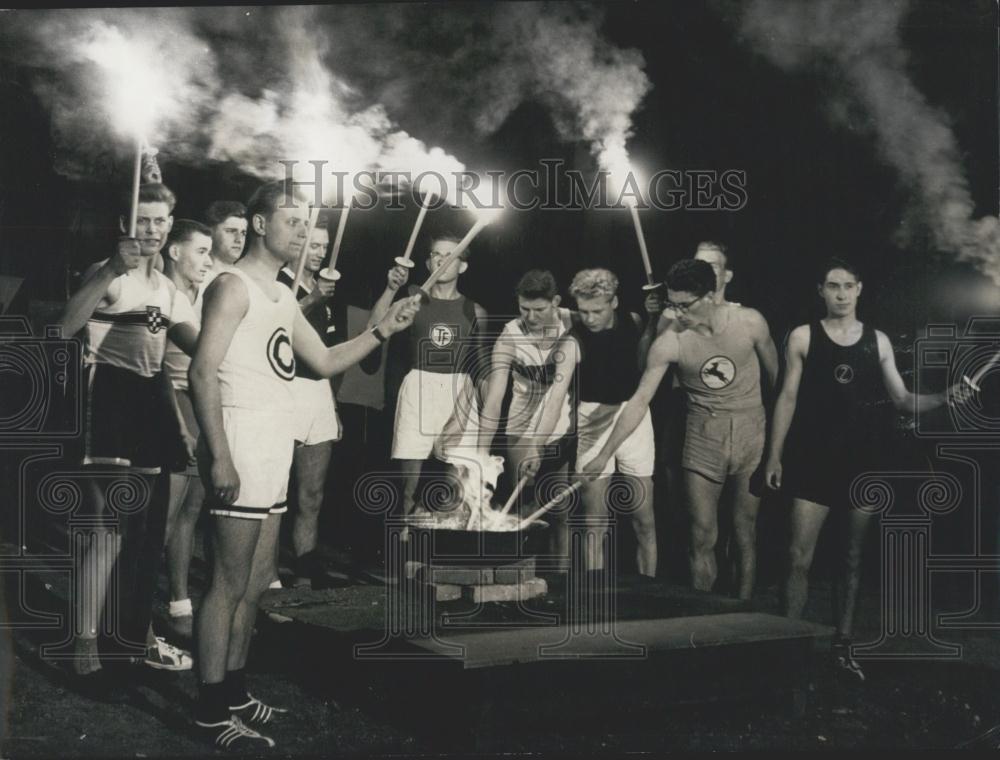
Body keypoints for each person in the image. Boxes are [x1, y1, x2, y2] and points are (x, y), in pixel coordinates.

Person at [189, 179, 419, 749]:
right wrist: (219, 456)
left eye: (304, 221)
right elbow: (201, 373)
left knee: (253, 587)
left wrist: (381, 330)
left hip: (274, 439)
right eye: (292, 221)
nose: (300, 230)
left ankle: (234, 689)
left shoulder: (283, 295)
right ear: (260, 224)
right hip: (239, 438)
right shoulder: (232, 286)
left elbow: (323, 360)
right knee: (226, 582)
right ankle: (209, 709)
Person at [764, 258, 963, 680]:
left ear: (859, 289)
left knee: (850, 559)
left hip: (861, 463)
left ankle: (842, 646)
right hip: (810, 460)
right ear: (821, 289)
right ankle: (786, 649)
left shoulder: (878, 341)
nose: (840, 293)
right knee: (797, 557)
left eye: (847, 286)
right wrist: (773, 455)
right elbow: (786, 398)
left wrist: (944, 396)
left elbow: (902, 399)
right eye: (832, 286)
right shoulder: (802, 336)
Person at [57, 183, 198, 688]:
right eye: (144, 221)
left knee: (137, 536)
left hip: (147, 403)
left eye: (162, 222)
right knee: (106, 531)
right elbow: (64, 326)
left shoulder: (167, 288)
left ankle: (127, 636)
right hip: (108, 398)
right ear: (125, 224)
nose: (154, 231)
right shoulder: (107, 272)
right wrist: (112, 271)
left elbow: (198, 349)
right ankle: (83, 646)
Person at [581, 259, 778, 600]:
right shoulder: (671, 341)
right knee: (701, 536)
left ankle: (745, 616)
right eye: (673, 304)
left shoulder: (750, 323)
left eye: (685, 305)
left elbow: (778, 382)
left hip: (751, 432)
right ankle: (704, 616)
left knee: (744, 533)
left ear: (711, 296)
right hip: (702, 435)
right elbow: (639, 401)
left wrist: (777, 445)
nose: (678, 313)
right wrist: (603, 453)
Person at [524, 269, 657, 576]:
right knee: (594, 522)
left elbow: (642, 363)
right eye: (583, 312)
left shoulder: (634, 321)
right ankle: (594, 596)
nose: (590, 318)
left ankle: (651, 594)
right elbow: (556, 399)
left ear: (614, 302)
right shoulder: (571, 343)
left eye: (597, 311)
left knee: (644, 518)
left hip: (634, 417)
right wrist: (534, 446)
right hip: (592, 421)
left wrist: (653, 321)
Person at [373, 234, 485, 517]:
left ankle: (442, 554)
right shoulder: (413, 300)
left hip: (460, 393)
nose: (442, 260)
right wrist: (389, 289)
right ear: (427, 261)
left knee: (454, 488)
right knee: (409, 488)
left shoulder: (476, 311)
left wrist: (474, 417)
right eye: (436, 254)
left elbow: (482, 371)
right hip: (418, 389)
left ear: (463, 266)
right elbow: (374, 330)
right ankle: (407, 554)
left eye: (451, 255)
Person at [477, 270, 575, 557]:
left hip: (559, 423)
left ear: (556, 301)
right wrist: (481, 455)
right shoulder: (509, 336)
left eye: (539, 310)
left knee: (560, 510)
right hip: (521, 424)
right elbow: (494, 401)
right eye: (524, 309)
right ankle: (521, 573)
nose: (531, 317)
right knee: (524, 507)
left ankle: (561, 585)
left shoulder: (573, 322)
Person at [161, 219, 214, 640]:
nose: (207, 260)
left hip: (200, 404)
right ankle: (135, 615)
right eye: (200, 251)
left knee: (191, 512)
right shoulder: (164, 294)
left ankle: (179, 602)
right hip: (172, 401)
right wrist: (179, 422)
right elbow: (166, 359)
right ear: (175, 251)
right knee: (164, 517)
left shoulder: (208, 287)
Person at [204, 200, 248, 274]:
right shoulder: (195, 278)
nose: (239, 239)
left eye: (243, 233)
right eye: (231, 231)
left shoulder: (247, 278)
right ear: (210, 232)